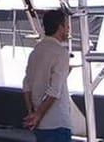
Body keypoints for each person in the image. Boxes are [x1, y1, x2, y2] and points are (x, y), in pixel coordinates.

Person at [22, 9, 71, 141]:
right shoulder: (61, 53)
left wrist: (32, 113)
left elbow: (26, 85)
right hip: (57, 123)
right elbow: (54, 90)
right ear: (60, 28)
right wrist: (38, 114)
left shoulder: (35, 51)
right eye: (67, 26)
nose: (68, 30)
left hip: (40, 126)